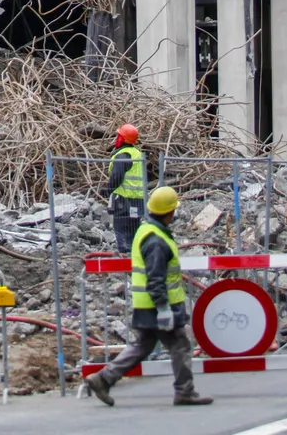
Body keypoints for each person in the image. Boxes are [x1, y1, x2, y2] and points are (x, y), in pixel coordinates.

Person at [85, 185, 213, 409]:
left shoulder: (147, 230)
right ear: (169, 212)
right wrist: (164, 308)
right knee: (180, 345)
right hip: (159, 305)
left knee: (142, 346)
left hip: (147, 305)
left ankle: (103, 379)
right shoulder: (156, 240)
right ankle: (185, 392)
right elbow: (155, 278)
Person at [107, 125, 146, 255]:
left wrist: (107, 190)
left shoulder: (123, 155)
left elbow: (117, 176)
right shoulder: (138, 154)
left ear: (122, 138)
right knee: (133, 231)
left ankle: (124, 260)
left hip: (123, 200)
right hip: (138, 201)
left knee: (121, 231)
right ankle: (134, 258)